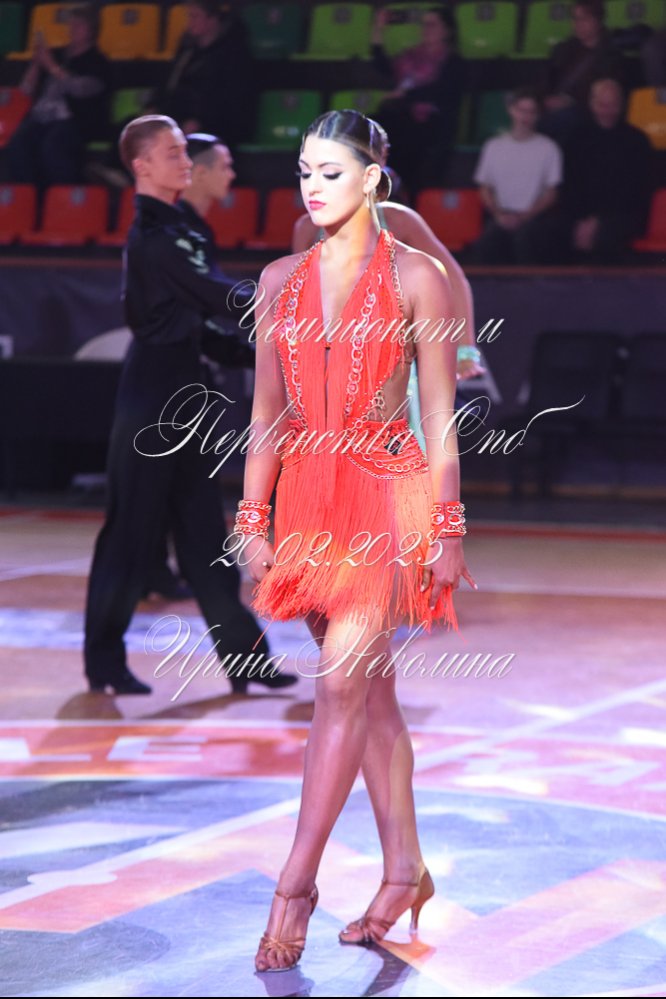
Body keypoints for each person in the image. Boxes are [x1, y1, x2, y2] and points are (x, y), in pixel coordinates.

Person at [231, 110, 476, 972]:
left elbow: (441, 416)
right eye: (304, 171)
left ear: (373, 177)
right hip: (306, 502)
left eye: (330, 172)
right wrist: (251, 520)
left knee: (339, 686)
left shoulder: (417, 277)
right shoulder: (277, 280)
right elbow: (266, 415)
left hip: (386, 495)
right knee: (370, 699)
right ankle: (404, 869)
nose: (312, 186)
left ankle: (295, 883)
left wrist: (446, 525)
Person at [83, 115, 298, 697]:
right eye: (172, 153)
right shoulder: (156, 236)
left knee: (205, 536)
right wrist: (297, 306)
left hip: (185, 396)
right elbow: (216, 296)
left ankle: (246, 659)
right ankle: (103, 661)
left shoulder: (182, 228)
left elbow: (200, 326)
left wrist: (269, 355)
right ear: (142, 166)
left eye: (184, 151)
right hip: (152, 403)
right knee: (130, 535)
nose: (184, 161)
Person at [142, 132, 256, 602]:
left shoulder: (194, 229)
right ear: (201, 173)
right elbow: (204, 301)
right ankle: (169, 576)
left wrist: (246, 350)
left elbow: (201, 312)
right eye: (225, 165)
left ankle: (161, 573)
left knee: (174, 485)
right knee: (172, 486)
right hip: (167, 377)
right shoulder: (178, 231)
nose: (232, 174)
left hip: (182, 370)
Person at [7, 3, 111, 188]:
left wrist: (51, 67)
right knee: (17, 144)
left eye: (79, 25)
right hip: (41, 118)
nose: (72, 29)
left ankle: (62, 197)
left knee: (53, 146)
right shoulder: (56, 54)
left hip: (75, 120)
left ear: (91, 30)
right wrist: (36, 64)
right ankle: (28, 196)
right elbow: (26, 89)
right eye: (71, 24)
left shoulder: (98, 61)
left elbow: (82, 89)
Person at [370, 5, 465, 192]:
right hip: (402, 119)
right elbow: (383, 66)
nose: (426, 29)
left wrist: (405, 96)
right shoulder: (410, 56)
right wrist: (378, 29)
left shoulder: (453, 62)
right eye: (424, 24)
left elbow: (442, 92)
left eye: (432, 24)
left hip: (430, 125)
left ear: (447, 31)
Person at [562, 78, 653, 263]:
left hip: (624, 215)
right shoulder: (575, 138)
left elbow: (637, 191)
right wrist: (582, 220)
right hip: (579, 214)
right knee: (545, 232)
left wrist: (599, 221)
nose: (608, 112)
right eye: (602, 105)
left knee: (604, 237)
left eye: (613, 105)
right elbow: (569, 184)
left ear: (622, 105)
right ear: (592, 103)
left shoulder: (637, 141)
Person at [471, 88, 563, 264]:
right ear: (511, 110)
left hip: (534, 219)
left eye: (531, 112)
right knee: (486, 244)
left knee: (527, 241)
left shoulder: (548, 148)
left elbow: (552, 193)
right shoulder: (494, 146)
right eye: (521, 110)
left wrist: (525, 217)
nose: (525, 117)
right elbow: (485, 188)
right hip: (500, 216)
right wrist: (499, 214)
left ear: (538, 115)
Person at [153, 0, 256, 147]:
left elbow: (231, 99)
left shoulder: (234, 55)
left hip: (219, 124)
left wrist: (199, 121)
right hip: (180, 118)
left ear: (212, 20)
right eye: (189, 16)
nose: (189, 22)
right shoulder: (187, 50)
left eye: (195, 16)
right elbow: (169, 85)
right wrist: (153, 107)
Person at [539, 0, 625, 143]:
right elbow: (546, 79)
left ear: (598, 21)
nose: (577, 24)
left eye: (584, 19)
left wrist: (569, 102)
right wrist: (544, 98)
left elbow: (608, 94)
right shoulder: (562, 49)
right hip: (553, 103)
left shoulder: (612, 56)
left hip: (584, 109)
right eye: (575, 18)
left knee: (561, 118)